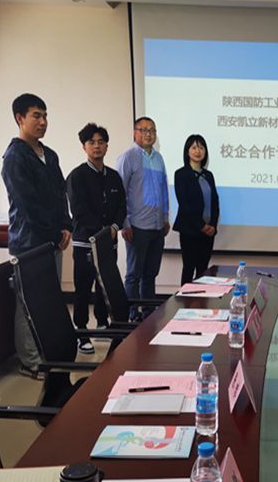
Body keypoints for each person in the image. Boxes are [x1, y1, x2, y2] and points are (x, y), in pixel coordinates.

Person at [1, 93, 72, 379]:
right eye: (36, 116)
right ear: (20, 118)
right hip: (29, 242)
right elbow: (27, 204)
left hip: (53, 239)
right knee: (28, 303)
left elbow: (60, 194)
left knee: (49, 300)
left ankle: (49, 352)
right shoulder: (15, 157)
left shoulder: (49, 154)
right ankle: (30, 360)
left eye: (45, 116)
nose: (43, 122)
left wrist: (66, 226)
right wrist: (54, 232)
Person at [66, 123, 126, 354]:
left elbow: (122, 206)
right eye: (91, 142)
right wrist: (101, 231)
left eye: (101, 142)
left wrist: (114, 227)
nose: (97, 146)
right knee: (83, 287)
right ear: (84, 147)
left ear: (107, 146)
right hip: (85, 243)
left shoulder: (114, 176)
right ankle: (81, 332)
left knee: (105, 284)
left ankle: (102, 322)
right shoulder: (77, 176)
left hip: (109, 241)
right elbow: (78, 210)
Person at [116, 116, 170, 317]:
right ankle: (131, 316)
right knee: (134, 275)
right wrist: (125, 223)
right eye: (144, 130)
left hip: (157, 226)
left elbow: (163, 190)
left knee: (150, 274)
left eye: (152, 130)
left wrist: (165, 217)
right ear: (135, 132)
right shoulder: (127, 157)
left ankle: (148, 315)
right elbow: (120, 193)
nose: (149, 134)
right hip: (137, 226)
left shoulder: (158, 158)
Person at [173, 134, 220, 285]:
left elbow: (215, 202)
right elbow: (184, 204)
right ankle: (185, 299)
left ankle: (203, 298)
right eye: (194, 147)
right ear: (187, 151)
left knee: (203, 270)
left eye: (201, 147)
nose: (198, 151)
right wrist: (201, 226)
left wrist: (212, 225)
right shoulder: (181, 174)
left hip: (208, 233)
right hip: (190, 230)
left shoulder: (208, 175)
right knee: (189, 268)